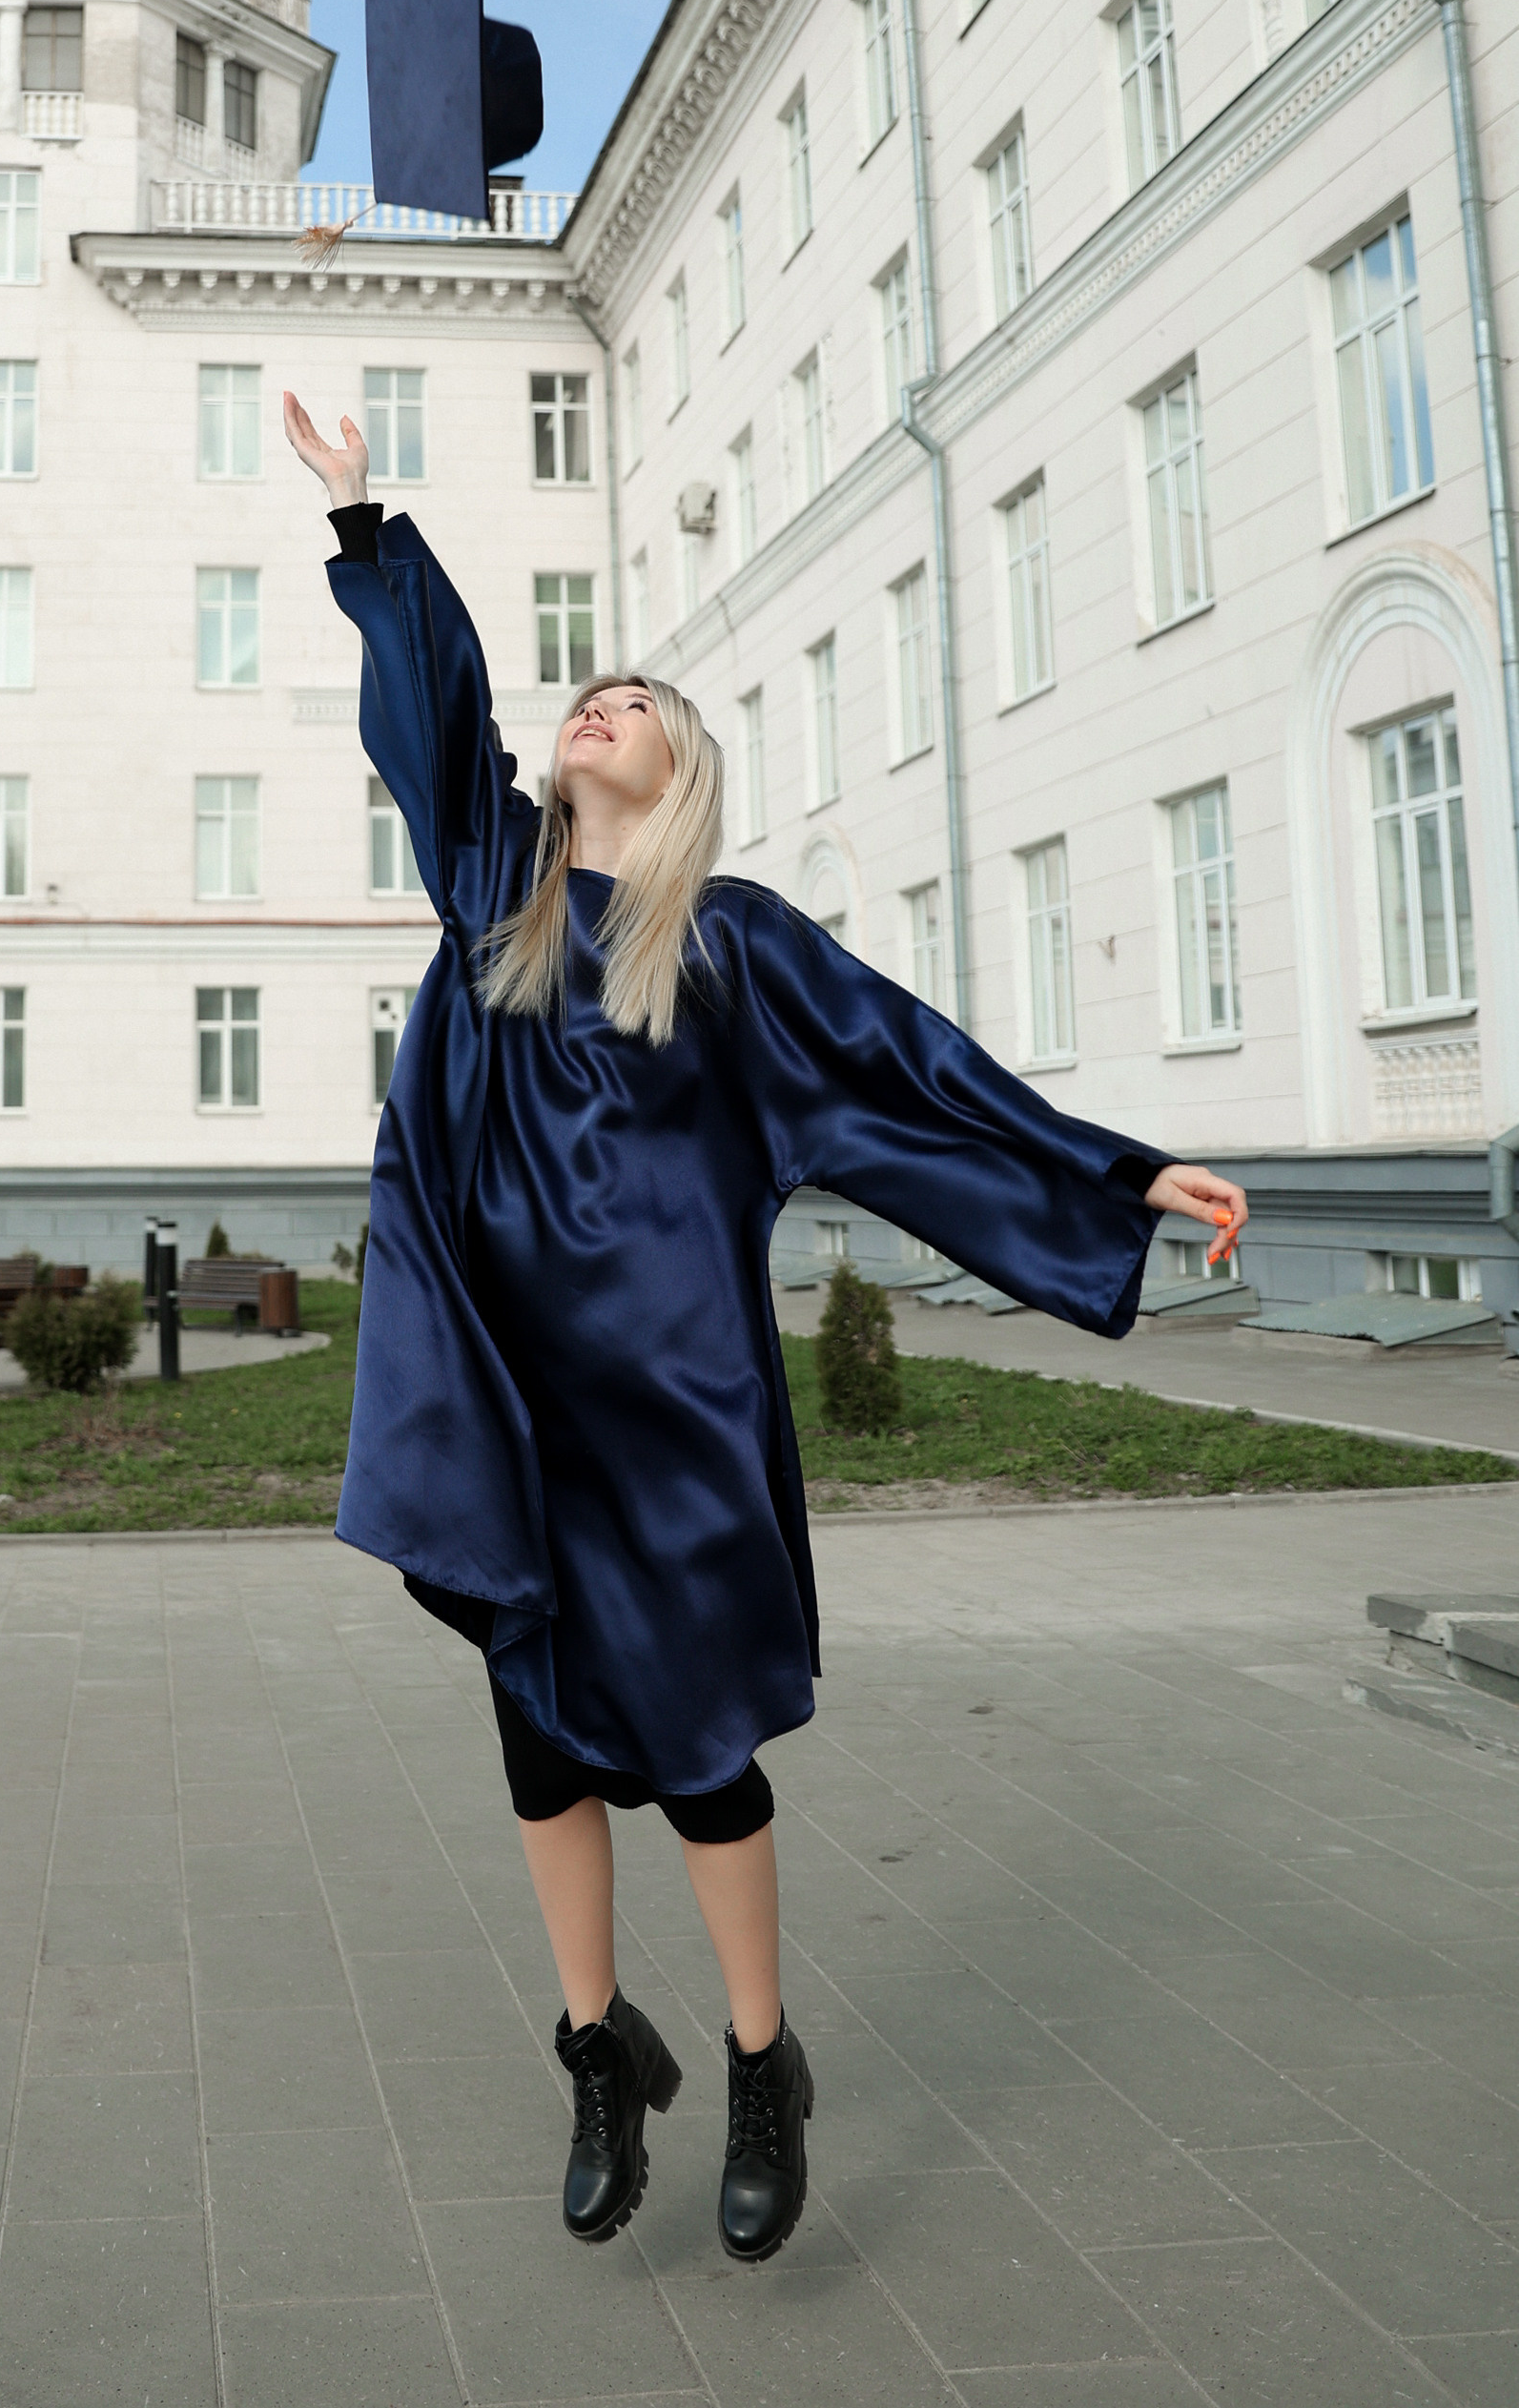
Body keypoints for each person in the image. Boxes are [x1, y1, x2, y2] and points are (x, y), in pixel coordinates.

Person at [284, 392, 1247, 2264]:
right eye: (587, 698)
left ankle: (751, 2058)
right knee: (537, 1747)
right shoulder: (495, 892)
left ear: (681, 772)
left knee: (702, 1751)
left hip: (675, 1410)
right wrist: (363, 525)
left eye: (633, 701)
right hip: (512, 1400)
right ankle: (590, 2042)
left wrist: (1111, 1172)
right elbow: (428, 712)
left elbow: (913, 1075)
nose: (597, 704)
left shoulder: (726, 942)